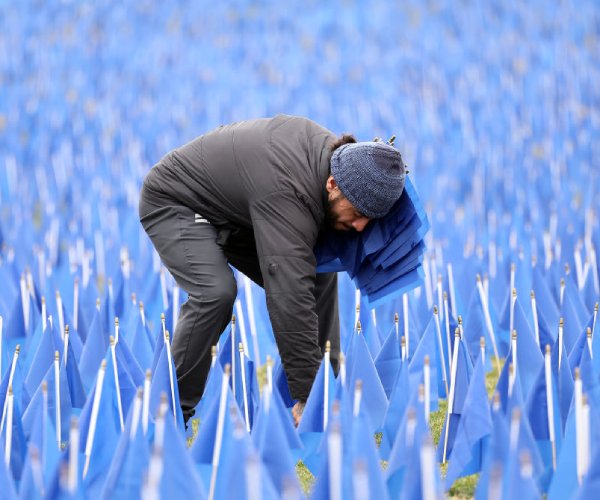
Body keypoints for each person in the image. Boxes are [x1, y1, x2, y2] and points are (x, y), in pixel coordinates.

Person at [138, 114, 406, 426]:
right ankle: (167, 416)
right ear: (332, 185)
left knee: (317, 269)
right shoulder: (289, 192)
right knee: (216, 293)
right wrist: (306, 394)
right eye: (358, 214)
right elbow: (289, 293)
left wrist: (320, 393)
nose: (360, 227)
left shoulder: (342, 163)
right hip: (176, 202)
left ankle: (327, 393)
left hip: (238, 213)